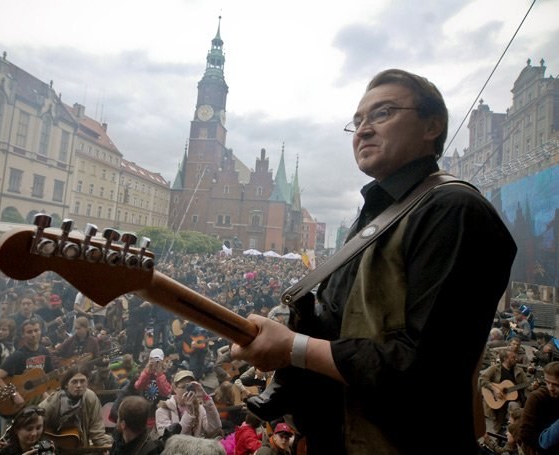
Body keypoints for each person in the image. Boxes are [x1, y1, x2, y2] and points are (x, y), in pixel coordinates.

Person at [230, 68, 518, 454]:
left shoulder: (453, 210)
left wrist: (294, 348)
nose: (363, 129)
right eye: (358, 120)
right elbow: (343, 332)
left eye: (382, 114)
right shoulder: (377, 216)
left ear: (432, 126)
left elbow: (424, 369)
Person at [39, 364, 113, 452]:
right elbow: (36, 421)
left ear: (87, 382)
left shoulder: (90, 398)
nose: (78, 385)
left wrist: (107, 448)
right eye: (74, 382)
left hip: (80, 447)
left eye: (82, 381)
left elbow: (97, 431)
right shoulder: (55, 400)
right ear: (66, 384)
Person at [0, 318, 55, 411]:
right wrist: (14, 394)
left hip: (38, 402)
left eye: (36, 330)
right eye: (29, 332)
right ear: (23, 334)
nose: (34, 334)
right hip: (20, 404)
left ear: (41, 331)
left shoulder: (45, 351)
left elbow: (50, 377)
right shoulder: (18, 355)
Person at [155, 369, 222, 439]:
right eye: (183, 387)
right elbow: (171, 439)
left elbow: (214, 429)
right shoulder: (163, 410)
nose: (187, 391)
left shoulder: (199, 408)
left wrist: (206, 399)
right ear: (174, 388)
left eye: (190, 387)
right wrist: (189, 412)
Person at [479, 348, 528, 434]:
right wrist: (494, 389)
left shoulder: (519, 370)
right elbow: (482, 379)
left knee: (515, 425)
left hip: (515, 403)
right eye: (513, 357)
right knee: (498, 428)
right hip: (498, 403)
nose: (516, 359)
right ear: (505, 359)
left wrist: (533, 385)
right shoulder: (495, 369)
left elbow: (527, 383)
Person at [519, 361, 559, 454]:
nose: (550, 388)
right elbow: (525, 434)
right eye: (547, 382)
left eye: (556, 384)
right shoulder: (537, 397)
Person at [160, 434, 225, 455]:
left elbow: (212, 427)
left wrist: (209, 405)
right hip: (177, 446)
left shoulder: (201, 408)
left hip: (206, 445)